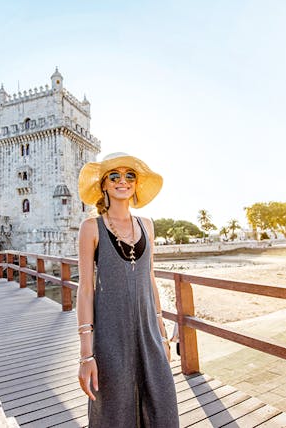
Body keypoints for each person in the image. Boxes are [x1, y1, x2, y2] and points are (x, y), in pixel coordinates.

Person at [76, 152, 179, 427]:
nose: (123, 181)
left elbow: (150, 277)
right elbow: (85, 289)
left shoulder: (147, 225)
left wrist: (162, 333)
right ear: (104, 184)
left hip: (150, 334)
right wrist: (87, 354)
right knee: (113, 415)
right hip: (110, 338)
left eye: (130, 176)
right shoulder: (91, 228)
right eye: (115, 176)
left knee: (163, 409)